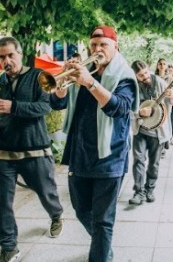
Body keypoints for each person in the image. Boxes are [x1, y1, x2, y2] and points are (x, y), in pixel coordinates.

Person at [50, 26, 138, 262]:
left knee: (102, 220)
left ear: (115, 47)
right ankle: (103, 244)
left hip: (110, 155)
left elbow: (120, 108)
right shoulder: (84, 71)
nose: (97, 50)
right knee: (81, 210)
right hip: (80, 154)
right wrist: (61, 83)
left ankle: (100, 251)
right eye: (93, 45)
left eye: (103, 45)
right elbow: (58, 105)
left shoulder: (124, 75)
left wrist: (89, 83)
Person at [0, 36, 64, 262]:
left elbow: (45, 107)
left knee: (46, 191)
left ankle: (56, 215)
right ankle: (9, 246)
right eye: (2, 57)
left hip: (35, 148)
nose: (6, 61)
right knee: (1, 202)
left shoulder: (39, 77)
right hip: (2, 151)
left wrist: (14, 107)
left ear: (20, 53)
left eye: (10, 55)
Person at [129, 60, 173, 205]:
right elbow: (127, 110)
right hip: (140, 130)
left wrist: (171, 95)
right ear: (136, 76)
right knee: (138, 160)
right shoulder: (132, 87)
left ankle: (150, 189)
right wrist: (138, 112)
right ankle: (138, 191)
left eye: (146, 73)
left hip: (158, 132)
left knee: (154, 163)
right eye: (141, 75)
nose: (145, 77)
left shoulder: (160, 82)